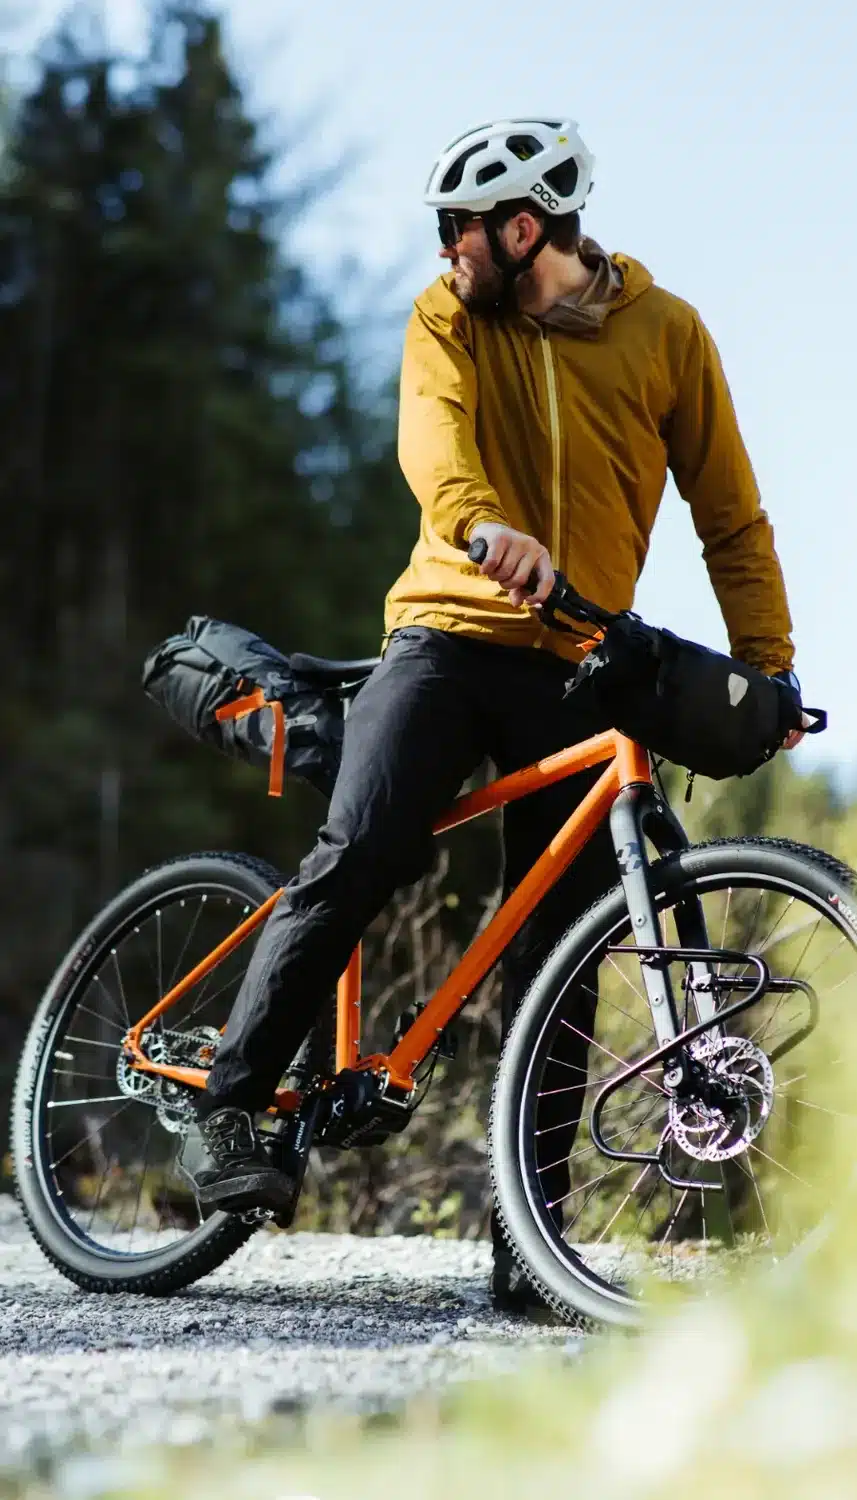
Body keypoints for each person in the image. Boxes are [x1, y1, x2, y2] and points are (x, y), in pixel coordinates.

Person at [192, 116, 804, 1312]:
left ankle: (528, 1242)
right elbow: (434, 439)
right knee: (364, 849)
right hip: (447, 635)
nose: (443, 248)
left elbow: (731, 520)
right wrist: (481, 525)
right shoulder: (446, 316)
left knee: (561, 955)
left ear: (525, 229)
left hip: (579, 662)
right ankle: (226, 1111)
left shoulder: (667, 335)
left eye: (457, 228)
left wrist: (766, 671)